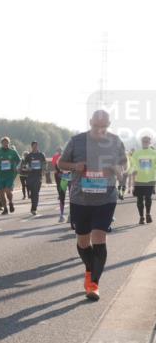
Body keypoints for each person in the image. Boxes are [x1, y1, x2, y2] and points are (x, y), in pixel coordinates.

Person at [57, 110, 127, 301]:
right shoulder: (76, 141)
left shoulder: (115, 141)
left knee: (99, 238)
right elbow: (61, 164)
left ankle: (94, 284)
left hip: (106, 198)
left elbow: (124, 166)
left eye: (103, 126)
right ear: (90, 123)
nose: (99, 130)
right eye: (96, 126)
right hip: (81, 199)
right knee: (83, 241)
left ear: (109, 124)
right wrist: (74, 166)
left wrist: (117, 169)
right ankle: (89, 270)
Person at [0, 137, 21, 214]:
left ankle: (10, 202)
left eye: (6, 142)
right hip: (0, 175)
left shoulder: (13, 152)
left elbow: (19, 161)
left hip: (9, 175)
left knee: (7, 191)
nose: (5, 144)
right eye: (3, 143)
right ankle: (5, 208)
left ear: (8, 143)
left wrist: (17, 167)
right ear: (1, 144)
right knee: (0, 193)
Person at [129, 135, 155, 224]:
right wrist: (131, 175)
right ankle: (141, 217)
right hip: (139, 180)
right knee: (139, 199)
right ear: (141, 142)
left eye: (147, 141)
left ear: (150, 142)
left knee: (148, 198)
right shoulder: (137, 153)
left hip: (150, 179)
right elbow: (132, 166)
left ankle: (148, 214)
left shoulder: (154, 153)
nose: (145, 143)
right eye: (144, 141)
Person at [24, 141, 47, 216]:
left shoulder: (41, 155)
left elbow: (44, 163)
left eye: (36, 145)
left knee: (36, 193)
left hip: (38, 176)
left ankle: (34, 208)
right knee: (32, 193)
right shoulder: (29, 155)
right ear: (31, 146)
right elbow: (25, 165)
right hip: (30, 176)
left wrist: (43, 170)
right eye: (34, 146)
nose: (35, 147)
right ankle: (33, 205)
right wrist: (28, 168)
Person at [51, 147, 70, 223]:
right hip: (64, 180)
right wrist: (60, 175)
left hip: (72, 180)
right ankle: (61, 215)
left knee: (72, 198)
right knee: (62, 197)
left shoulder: (72, 159)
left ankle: (71, 215)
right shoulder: (60, 160)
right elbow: (57, 170)